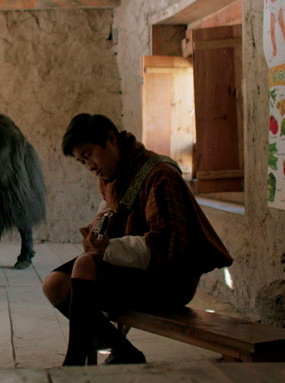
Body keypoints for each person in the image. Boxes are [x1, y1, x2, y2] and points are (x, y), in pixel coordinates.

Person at [43, 113, 233, 366]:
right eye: (81, 162)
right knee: (54, 284)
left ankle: (73, 365)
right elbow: (113, 205)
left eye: (88, 155)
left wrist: (108, 249)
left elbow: (164, 246)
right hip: (136, 270)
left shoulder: (160, 176)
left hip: (170, 279)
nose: (88, 166)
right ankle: (124, 350)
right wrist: (96, 232)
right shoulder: (112, 175)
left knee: (85, 266)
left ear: (110, 139)